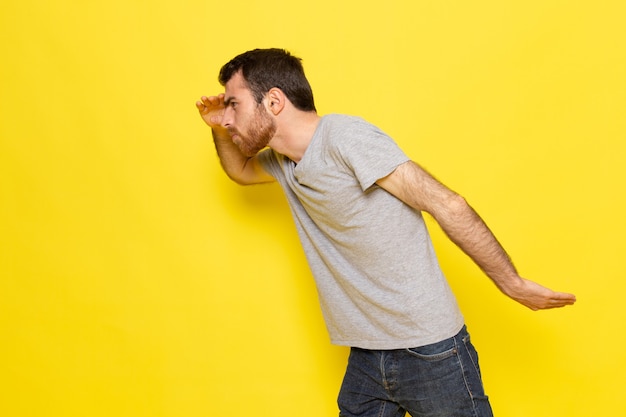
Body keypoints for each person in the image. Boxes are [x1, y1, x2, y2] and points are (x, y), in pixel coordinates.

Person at [196, 48, 576, 417]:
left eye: (234, 104)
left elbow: (447, 204)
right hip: (366, 350)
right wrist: (216, 128)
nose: (228, 118)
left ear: (274, 101)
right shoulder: (285, 161)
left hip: (427, 348)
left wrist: (511, 283)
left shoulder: (346, 138)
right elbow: (240, 172)